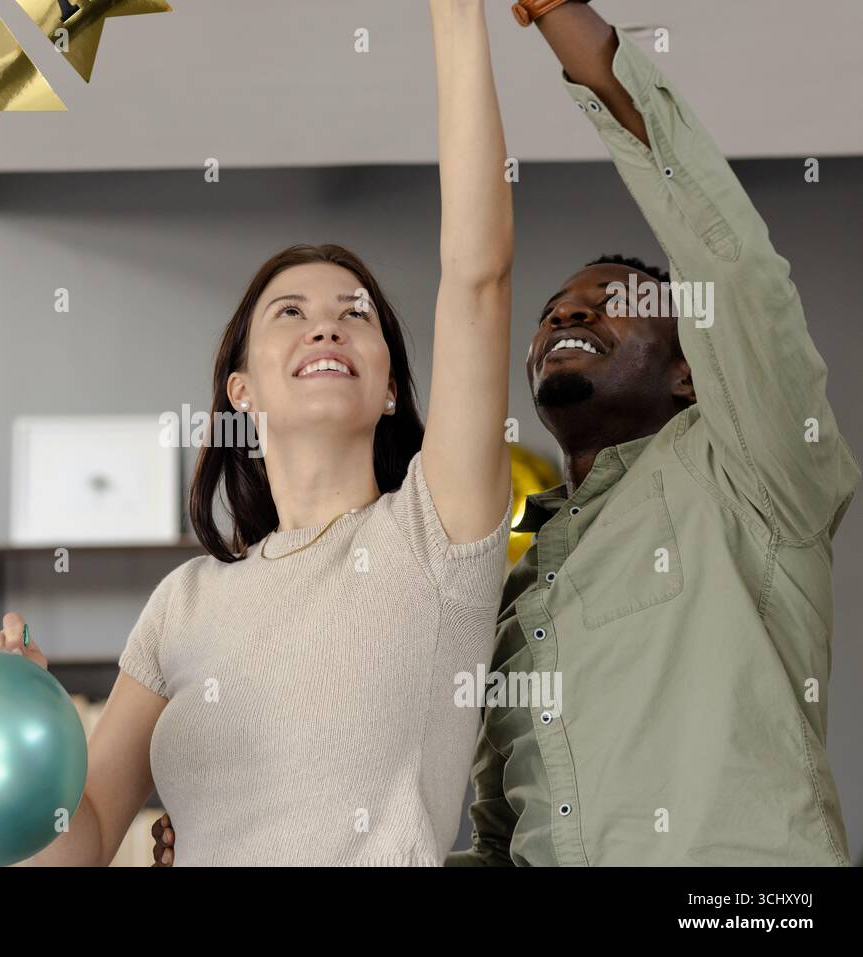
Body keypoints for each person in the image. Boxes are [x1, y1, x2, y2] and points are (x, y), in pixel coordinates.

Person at [153, 0, 860, 866]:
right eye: (555, 308)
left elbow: (733, 263)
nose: (569, 311)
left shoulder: (753, 471)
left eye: (616, 301)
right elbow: (498, 843)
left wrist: (557, 13)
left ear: (691, 367)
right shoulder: (516, 589)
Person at [0, 0, 515, 865]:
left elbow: (478, 279)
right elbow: (87, 836)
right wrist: (25, 732)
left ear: (389, 387)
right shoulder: (183, 603)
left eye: (356, 313)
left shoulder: (435, 532)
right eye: (289, 312)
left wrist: (454, 13)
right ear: (243, 391)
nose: (326, 324)